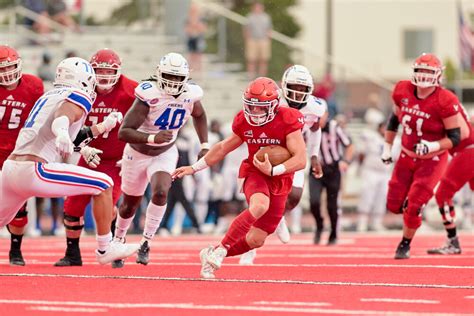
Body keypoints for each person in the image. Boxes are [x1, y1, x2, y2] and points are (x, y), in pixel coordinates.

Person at [0, 56, 138, 265]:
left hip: (10, 170)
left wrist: (102, 127)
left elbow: (73, 139)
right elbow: (63, 117)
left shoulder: (48, 95)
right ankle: (104, 248)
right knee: (103, 183)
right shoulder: (77, 94)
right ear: (85, 79)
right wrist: (63, 132)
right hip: (34, 170)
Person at [173, 77, 307, 279]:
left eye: (261, 107)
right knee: (259, 205)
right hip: (255, 171)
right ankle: (221, 250)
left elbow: (301, 159)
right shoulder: (244, 121)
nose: (255, 112)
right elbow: (223, 148)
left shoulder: (288, 118)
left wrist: (275, 170)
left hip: (280, 177)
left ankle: (214, 251)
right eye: (251, 107)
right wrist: (194, 167)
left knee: (256, 240)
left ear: (273, 105)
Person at [113, 52, 209, 266]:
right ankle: (118, 240)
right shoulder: (149, 95)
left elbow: (200, 115)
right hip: (137, 153)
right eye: (169, 76)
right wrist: (152, 137)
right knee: (129, 205)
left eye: (177, 78)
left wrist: (204, 144)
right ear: (159, 74)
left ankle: (146, 242)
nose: (173, 82)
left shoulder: (190, 95)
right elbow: (124, 132)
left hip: (165, 152)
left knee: (160, 191)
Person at [54, 49, 138, 267]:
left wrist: (132, 154)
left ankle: (113, 247)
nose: (103, 75)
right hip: (88, 156)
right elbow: (70, 128)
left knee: (108, 205)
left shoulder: (131, 92)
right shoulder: (82, 88)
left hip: (116, 159)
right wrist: (82, 149)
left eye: (108, 71)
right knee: (72, 205)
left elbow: (145, 125)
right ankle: (72, 253)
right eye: (98, 70)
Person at [381, 53, 470, 259]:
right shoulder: (402, 90)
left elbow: (455, 137)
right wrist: (387, 146)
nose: (423, 76)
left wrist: (433, 145)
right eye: (420, 71)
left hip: (433, 159)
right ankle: (409, 209)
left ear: (438, 75)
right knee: (393, 204)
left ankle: (405, 243)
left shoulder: (445, 100)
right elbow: (394, 120)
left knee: (414, 205)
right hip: (406, 155)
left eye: (428, 72)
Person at [239, 65, 327, 265]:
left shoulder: (314, 107)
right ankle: (249, 248)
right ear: (284, 86)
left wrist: (314, 155)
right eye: (294, 86)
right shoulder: (273, 100)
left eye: (303, 88)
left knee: (294, 197)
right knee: (259, 203)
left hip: (293, 155)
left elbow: (315, 130)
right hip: (270, 152)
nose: (298, 92)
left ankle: (278, 217)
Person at [0, 45, 44, 266]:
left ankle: (15, 249)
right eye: (2, 69)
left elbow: (41, 117)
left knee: (19, 206)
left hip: (18, 153)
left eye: (10, 67)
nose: (6, 73)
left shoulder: (33, 85)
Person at [427, 102, 473, 255]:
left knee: (442, 195)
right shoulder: (450, 104)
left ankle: (452, 241)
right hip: (468, 150)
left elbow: (460, 134)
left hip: (467, 152)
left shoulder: (443, 103)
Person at [309, 117, 354, 245]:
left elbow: (349, 145)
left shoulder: (334, 127)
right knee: (314, 202)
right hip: (315, 169)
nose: (319, 119)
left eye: (322, 115)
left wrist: (346, 161)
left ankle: (333, 233)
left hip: (332, 169)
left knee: (332, 205)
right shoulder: (308, 126)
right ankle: (319, 225)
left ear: (327, 114)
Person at [244, 2, 272, 79]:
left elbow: (269, 29)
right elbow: (247, 29)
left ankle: (262, 77)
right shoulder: (250, 17)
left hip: (263, 40)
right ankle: (251, 76)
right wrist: (248, 39)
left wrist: (268, 39)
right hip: (252, 40)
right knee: (251, 59)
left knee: (263, 60)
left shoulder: (266, 17)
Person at [185, 3, 207, 74]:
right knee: (191, 55)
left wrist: (196, 26)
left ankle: (198, 69)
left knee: (198, 55)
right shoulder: (188, 19)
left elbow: (203, 29)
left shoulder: (201, 19)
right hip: (191, 39)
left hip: (198, 39)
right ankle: (191, 69)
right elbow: (187, 30)